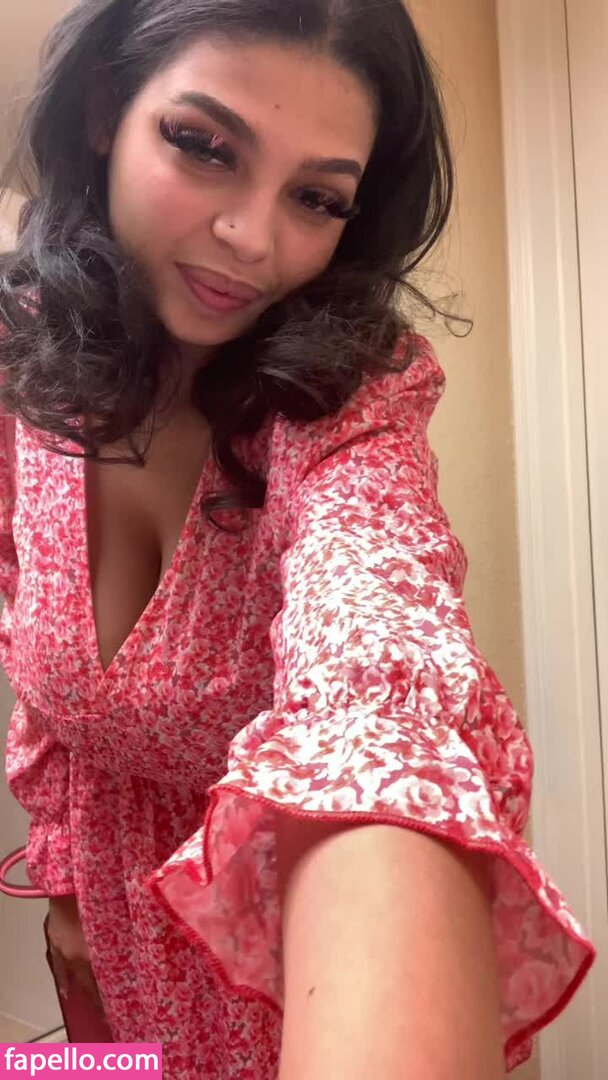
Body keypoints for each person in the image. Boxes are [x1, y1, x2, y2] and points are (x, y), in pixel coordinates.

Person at [0, 0, 594, 1076]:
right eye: (203, 144)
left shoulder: (348, 407)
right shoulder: (24, 369)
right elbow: (43, 686)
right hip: (98, 976)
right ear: (103, 108)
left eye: (315, 197)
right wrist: (66, 894)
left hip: (276, 998)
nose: (252, 238)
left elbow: (378, 665)